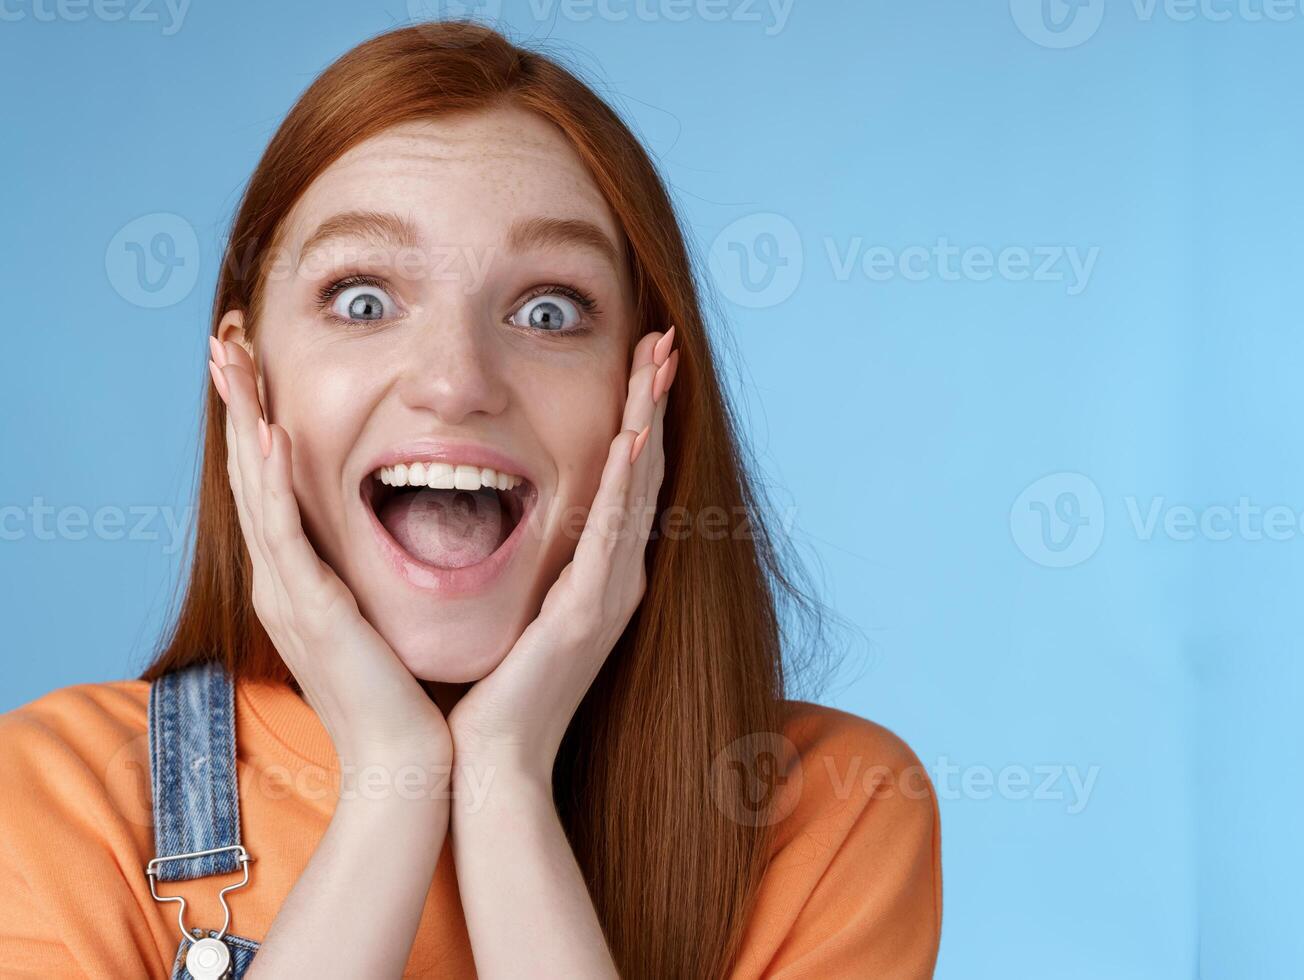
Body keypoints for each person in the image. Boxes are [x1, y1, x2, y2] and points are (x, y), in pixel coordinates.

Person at [0, 22, 940, 979]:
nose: (456, 382)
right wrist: (392, 786)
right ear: (245, 376)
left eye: (549, 311)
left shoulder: (823, 810)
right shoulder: (56, 799)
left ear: (646, 388)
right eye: (362, 299)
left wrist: (504, 779)